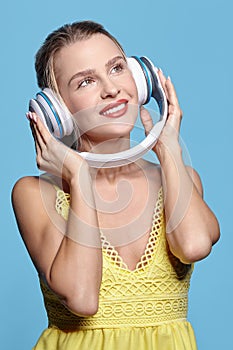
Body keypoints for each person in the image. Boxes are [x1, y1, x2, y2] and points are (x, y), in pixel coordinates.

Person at [12, 20, 220, 350]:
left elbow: (194, 245)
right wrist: (80, 181)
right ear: (57, 112)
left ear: (140, 79)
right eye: (85, 82)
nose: (111, 89)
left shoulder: (182, 179)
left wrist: (168, 149)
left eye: (118, 68)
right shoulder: (35, 195)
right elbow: (81, 298)